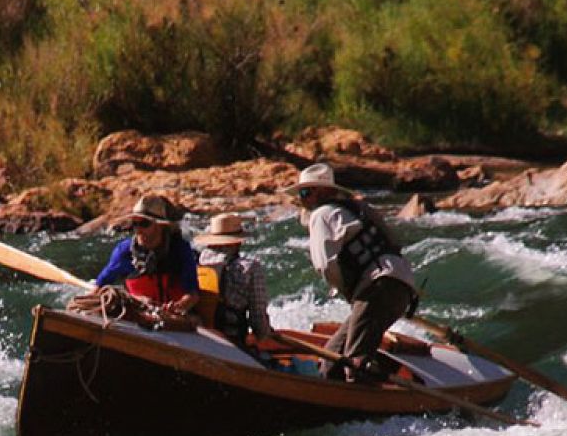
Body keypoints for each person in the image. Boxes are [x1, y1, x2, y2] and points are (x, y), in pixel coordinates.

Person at [290, 162, 417, 382]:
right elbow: (394, 242)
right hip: (401, 284)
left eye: (304, 192)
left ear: (321, 192)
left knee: (356, 362)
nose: (301, 199)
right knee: (332, 359)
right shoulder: (356, 209)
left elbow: (325, 265)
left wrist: (348, 291)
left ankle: (366, 405)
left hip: (378, 285)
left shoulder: (321, 215)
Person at [93, 194, 200, 319]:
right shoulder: (124, 251)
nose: (138, 230)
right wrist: (136, 300)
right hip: (137, 316)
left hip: (174, 320)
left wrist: (179, 306)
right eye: (135, 224)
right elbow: (99, 287)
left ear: (160, 225)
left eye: (144, 224)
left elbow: (193, 295)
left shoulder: (180, 249)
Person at [194, 212, 274, 354]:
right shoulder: (249, 268)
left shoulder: (198, 264)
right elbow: (258, 318)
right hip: (232, 343)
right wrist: (264, 333)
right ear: (237, 241)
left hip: (200, 339)